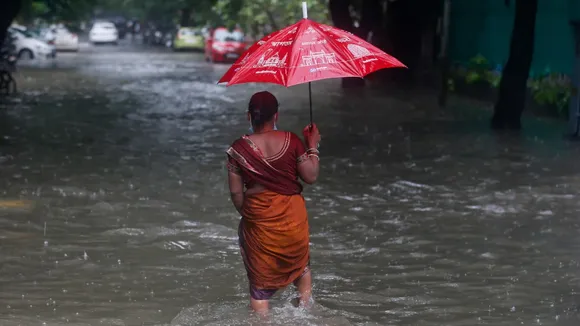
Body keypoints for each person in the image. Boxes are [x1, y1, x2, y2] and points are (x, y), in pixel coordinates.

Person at [226, 91, 321, 315]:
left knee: (259, 287)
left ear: (249, 116)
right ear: (276, 116)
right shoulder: (292, 141)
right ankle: (305, 315)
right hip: (293, 221)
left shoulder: (238, 149)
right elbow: (311, 176)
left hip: (260, 224)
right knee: (302, 270)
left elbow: (236, 193)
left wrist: (252, 215)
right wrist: (312, 145)